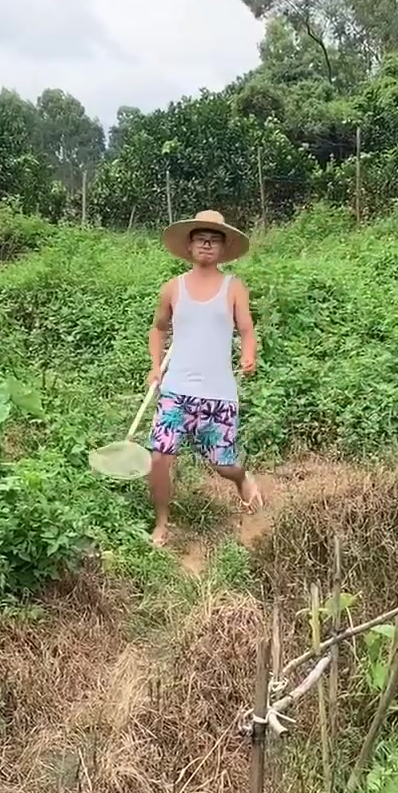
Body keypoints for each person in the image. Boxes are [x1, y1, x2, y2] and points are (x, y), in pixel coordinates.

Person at [146, 209, 262, 548]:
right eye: (201, 238)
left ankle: (241, 479)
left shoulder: (234, 287)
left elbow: (247, 328)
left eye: (214, 239)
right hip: (176, 390)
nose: (207, 244)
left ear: (223, 248)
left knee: (222, 464)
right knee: (158, 458)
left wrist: (248, 353)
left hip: (218, 393)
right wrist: (155, 365)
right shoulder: (172, 288)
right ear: (190, 245)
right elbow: (158, 329)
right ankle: (162, 522)